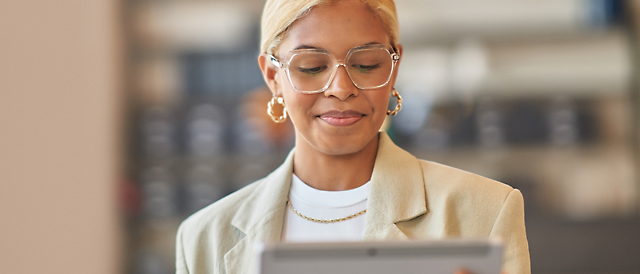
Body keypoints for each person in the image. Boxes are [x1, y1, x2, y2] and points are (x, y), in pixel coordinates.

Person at [175, 0, 531, 273]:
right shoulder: (205, 239)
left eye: (367, 63)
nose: (341, 88)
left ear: (394, 68)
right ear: (272, 76)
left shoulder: (485, 212)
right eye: (311, 67)